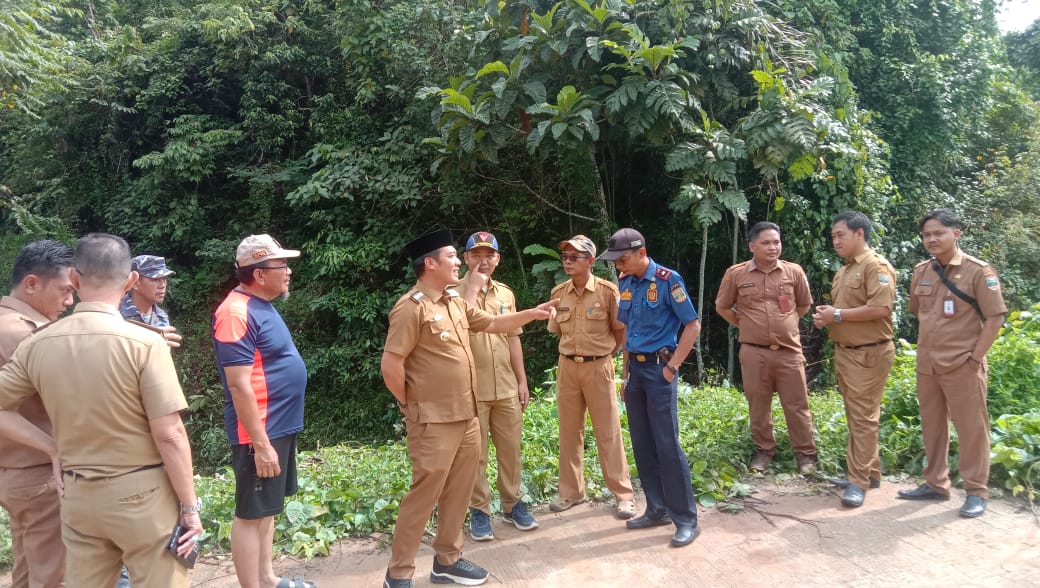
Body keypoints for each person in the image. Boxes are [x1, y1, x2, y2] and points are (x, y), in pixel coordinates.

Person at [0, 233, 202, 587]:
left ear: (75, 279)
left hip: (77, 495)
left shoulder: (38, 344)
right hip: (140, 493)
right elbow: (170, 434)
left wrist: (54, 449)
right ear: (132, 280)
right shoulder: (145, 343)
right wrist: (189, 507)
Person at [381, 229, 557, 588]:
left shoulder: (453, 301)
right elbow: (391, 365)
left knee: (459, 493)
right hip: (433, 422)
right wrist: (410, 404)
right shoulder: (411, 307)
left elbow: (491, 323)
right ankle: (398, 573)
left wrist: (531, 314)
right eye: (452, 256)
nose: (458, 262)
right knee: (423, 496)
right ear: (430, 264)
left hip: (468, 416)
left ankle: (447, 561)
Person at [212, 234, 316, 588]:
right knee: (251, 513)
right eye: (281, 265)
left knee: (268, 509)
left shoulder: (259, 304)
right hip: (259, 431)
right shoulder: (235, 312)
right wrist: (261, 444)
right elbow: (239, 385)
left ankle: (267, 578)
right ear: (259, 273)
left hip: (277, 426)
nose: (288, 271)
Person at [896, 209, 1006, 518]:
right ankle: (935, 483)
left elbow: (995, 317)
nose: (932, 239)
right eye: (926, 235)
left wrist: (975, 358)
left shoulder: (978, 271)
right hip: (928, 365)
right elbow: (918, 310)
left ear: (955, 233)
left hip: (963, 365)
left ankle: (976, 490)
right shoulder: (922, 271)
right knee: (932, 426)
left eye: (938, 233)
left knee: (972, 429)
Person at [599, 228, 700, 548]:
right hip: (637, 374)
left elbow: (692, 325)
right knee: (642, 443)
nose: (619, 266)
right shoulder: (626, 283)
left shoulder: (669, 280)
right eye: (615, 262)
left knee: (667, 445)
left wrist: (673, 367)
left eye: (623, 260)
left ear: (641, 252)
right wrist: (625, 375)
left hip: (660, 371)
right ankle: (657, 509)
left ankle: (686, 519)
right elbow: (628, 331)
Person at [715, 222, 818, 475]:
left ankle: (806, 455)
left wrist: (788, 322)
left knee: (797, 404)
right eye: (766, 243)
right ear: (752, 246)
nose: (773, 247)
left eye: (776, 242)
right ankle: (764, 451)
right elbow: (723, 307)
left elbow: (803, 305)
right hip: (754, 352)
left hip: (789, 351)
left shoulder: (793, 271)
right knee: (758, 405)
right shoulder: (736, 274)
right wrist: (746, 324)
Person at [0, 239, 74, 588]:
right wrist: (52, 448)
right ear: (31, 283)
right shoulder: (24, 334)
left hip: (17, 473)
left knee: (29, 571)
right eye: (64, 290)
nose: (69, 302)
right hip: (40, 473)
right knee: (53, 577)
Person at [547, 234, 636, 519]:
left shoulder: (608, 292)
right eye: (565, 257)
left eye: (575, 257)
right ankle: (571, 492)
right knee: (569, 432)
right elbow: (557, 331)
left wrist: (607, 357)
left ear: (590, 261)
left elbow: (620, 331)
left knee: (608, 432)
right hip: (568, 367)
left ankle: (623, 494)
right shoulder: (558, 293)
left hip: (598, 367)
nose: (568, 262)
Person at [457, 231, 538, 541]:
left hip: (505, 385)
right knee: (474, 454)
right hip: (471, 388)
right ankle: (479, 510)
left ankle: (512, 503)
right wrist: (472, 288)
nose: (483, 260)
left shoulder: (505, 294)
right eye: (476, 255)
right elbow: (457, 329)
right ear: (466, 258)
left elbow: (513, 337)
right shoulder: (453, 292)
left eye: (489, 255)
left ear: (498, 259)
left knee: (511, 450)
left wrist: (522, 380)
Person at [813, 211, 897, 508]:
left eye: (841, 235)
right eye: (833, 236)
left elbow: (881, 308)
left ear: (860, 234)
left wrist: (836, 314)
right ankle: (869, 473)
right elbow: (846, 312)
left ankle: (858, 481)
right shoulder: (844, 270)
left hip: (869, 352)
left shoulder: (876, 266)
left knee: (863, 417)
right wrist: (828, 317)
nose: (835, 241)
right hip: (846, 352)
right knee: (857, 415)